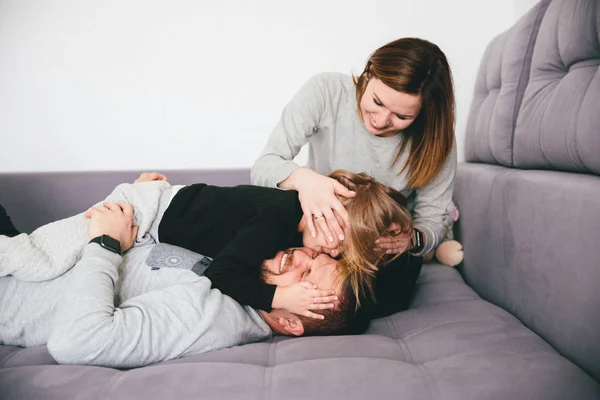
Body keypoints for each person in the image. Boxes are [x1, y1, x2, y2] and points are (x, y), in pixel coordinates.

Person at [0, 169, 414, 320]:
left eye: (345, 255)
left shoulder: (300, 237)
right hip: (146, 209)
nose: (333, 254)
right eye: (339, 241)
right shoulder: (278, 218)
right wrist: (278, 297)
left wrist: (415, 242)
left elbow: (384, 292)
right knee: (39, 259)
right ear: (323, 205)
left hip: (154, 225)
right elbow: (223, 273)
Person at [0, 202, 366, 368]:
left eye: (305, 278)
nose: (299, 257)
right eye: (314, 258)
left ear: (288, 322)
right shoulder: (236, 279)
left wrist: (105, 246)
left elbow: (77, 342)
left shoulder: (213, 315)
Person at [251, 37, 456, 315]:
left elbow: (433, 217)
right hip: (318, 227)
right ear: (368, 73)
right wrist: (305, 180)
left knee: (394, 282)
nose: (381, 121)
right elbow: (264, 166)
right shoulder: (327, 91)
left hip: (375, 245)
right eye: (377, 101)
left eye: (401, 117)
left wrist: (415, 240)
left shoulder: (435, 139)